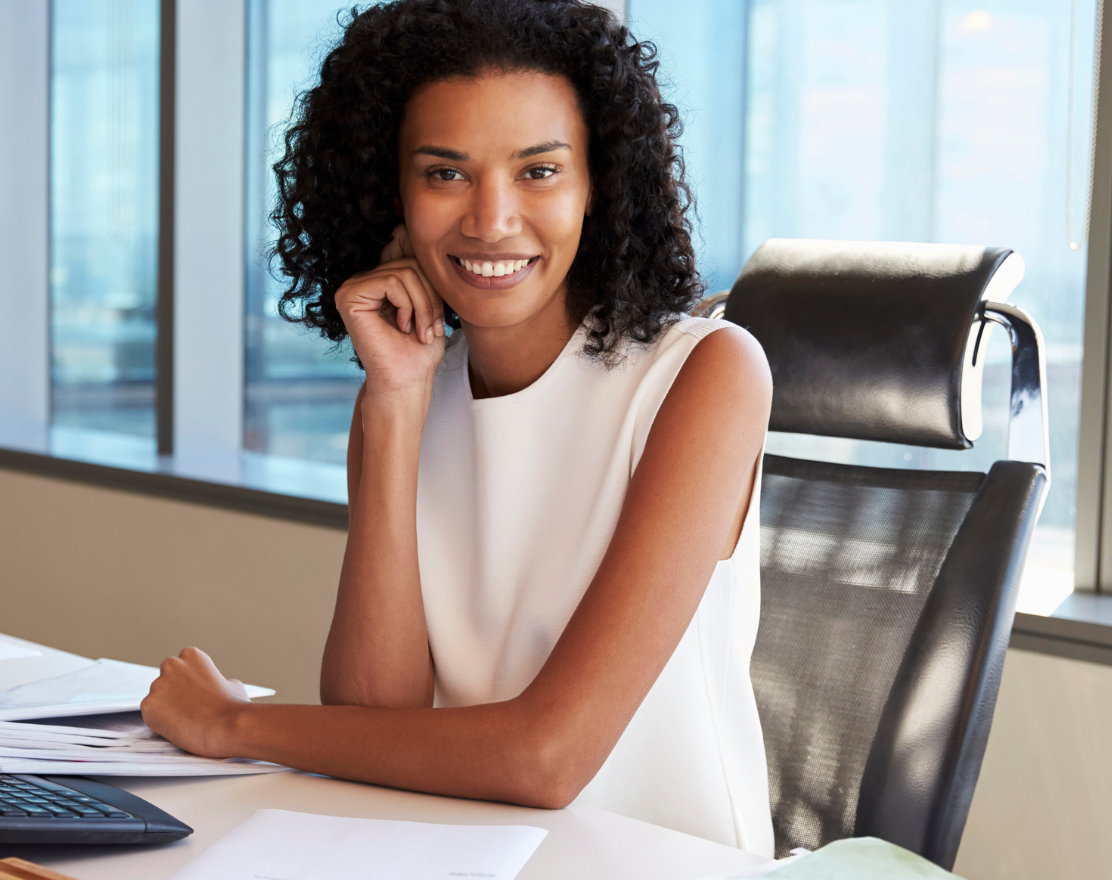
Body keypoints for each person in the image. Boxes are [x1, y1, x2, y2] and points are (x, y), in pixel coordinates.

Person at [141, 0, 774, 854]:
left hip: (655, 860)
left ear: (599, 185)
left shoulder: (705, 375)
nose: (490, 219)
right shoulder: (406, 386)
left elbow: (548, 758)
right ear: (390, 195)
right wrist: (396, 404)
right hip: (465, 854)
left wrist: (234, 725)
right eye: (445, 173)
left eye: (539, 171)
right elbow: (373, 715)